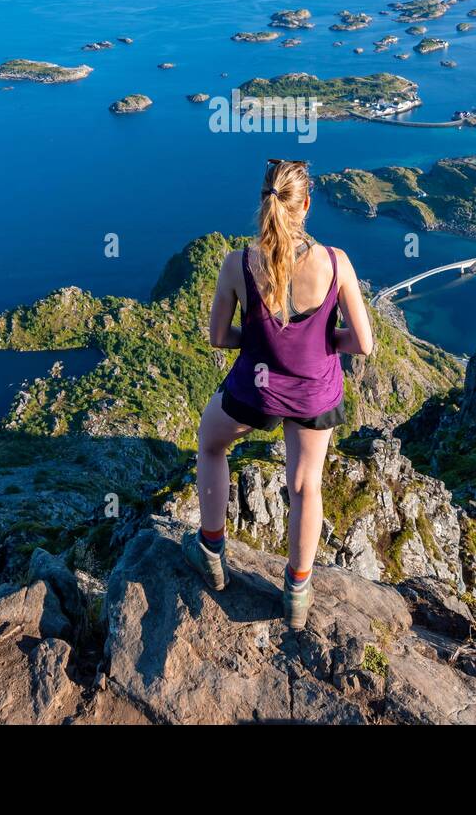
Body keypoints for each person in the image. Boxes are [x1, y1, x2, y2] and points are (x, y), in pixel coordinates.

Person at [181, 158, 375, 630]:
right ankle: (296, 592)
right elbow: (364, 344)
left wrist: (259, 338)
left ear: (264, 201)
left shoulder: (238, 264)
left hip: (256, 390)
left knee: (211, 443)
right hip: (315, 394)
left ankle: (211, 552)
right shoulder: (336, 262)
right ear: (306, 204)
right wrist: (325, 342)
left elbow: (218, 337)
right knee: (305, 485)